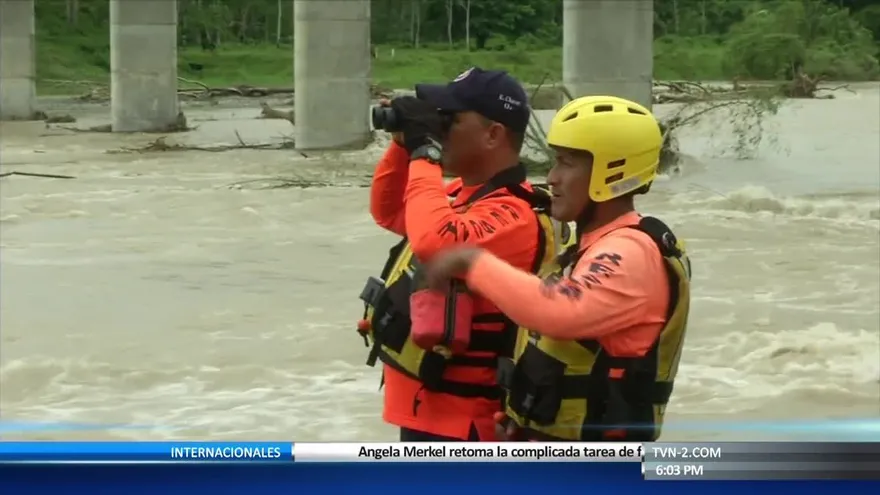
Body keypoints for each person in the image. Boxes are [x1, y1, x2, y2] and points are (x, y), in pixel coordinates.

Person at [423, 95, 693, 442]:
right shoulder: (591, 243)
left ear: (612, 171)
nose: (552, 178)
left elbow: (561, 311)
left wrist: (473, 261)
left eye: (567, 164)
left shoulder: (630, 251)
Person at [357, 67, 572, 442]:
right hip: (431, 414)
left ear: (493, 135)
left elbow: (437, 243)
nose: (440, 129)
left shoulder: (514, 215)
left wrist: (426, 150)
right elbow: (388, 210)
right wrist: (404, 142)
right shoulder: (461, 195)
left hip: (469, 425)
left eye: (449, 120)